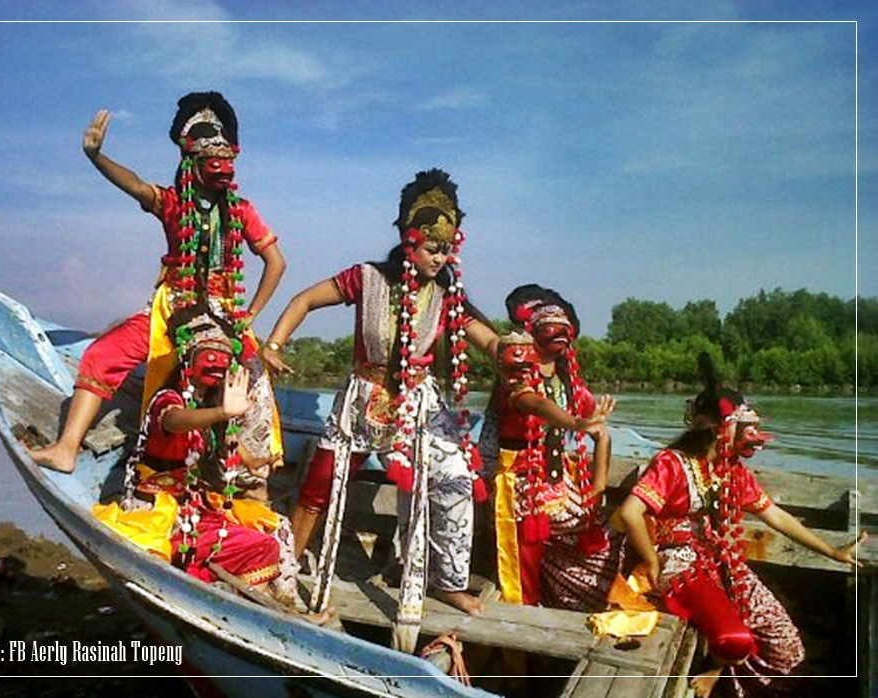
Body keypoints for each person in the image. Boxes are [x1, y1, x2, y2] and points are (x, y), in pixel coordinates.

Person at [261, 169, 499, 651]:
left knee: (454, 475)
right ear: (410, 243)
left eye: (448, 249)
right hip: (362, 398)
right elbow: (304, 299)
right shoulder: (366, 278)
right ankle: (282, 572)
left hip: (415, 404)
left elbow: (489, 340)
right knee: (318, 484)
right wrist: (274, 343)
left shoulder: (447, 294)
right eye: (434, 248)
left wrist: (514, 351)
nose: (442, 257)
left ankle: (446, 581)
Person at [31, 91, 286, 481]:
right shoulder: (172, 204)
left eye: (225, 163)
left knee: (243, 387)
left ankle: (236, 479)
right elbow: (134, 184)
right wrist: (96, 156)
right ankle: (66, 449)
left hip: (226, 316)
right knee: (101, 355)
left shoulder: (241, 212)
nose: (221, 171)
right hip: (169, 311)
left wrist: (249, 315)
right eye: (212, 163)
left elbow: (276, 263)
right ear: (192, 164)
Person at [617, 352, 866, 698]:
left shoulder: (731, 469)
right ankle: (712, 671)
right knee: (735, 639)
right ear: (722, 430)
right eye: (743, 430)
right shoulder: (672, 463)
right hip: (676, 562)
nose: (751, 439)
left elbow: (773, 515)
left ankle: (731, 684)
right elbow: (631, 512)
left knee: (786, 644)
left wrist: (832, 551)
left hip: (721, 559)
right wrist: (652, 560)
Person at [97, 309, 303, 608]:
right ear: (188, 362)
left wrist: (254, 461)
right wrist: (222, 412)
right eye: (210, 357)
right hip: (156, 511)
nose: (218, 365)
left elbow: (230, 441)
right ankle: (256, 608)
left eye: (223, 359)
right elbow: (174, 422)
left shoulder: (211, 404)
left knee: (279, 528)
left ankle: (289, 602)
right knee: (259, 546)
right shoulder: (169, 400)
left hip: (194, 504)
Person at [478, 285, 619, 610]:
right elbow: (533, 404)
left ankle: (568, 604)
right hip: (521, 491)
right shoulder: (516, 375)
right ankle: (519, 646)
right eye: (550, 328)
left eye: (565, 329)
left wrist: (597, 488)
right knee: (521, 580)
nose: (560, 334)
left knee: (600, 542)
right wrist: (575, 423)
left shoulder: (569, 384)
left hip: (558, 487)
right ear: (534, 334)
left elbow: (602, 435)